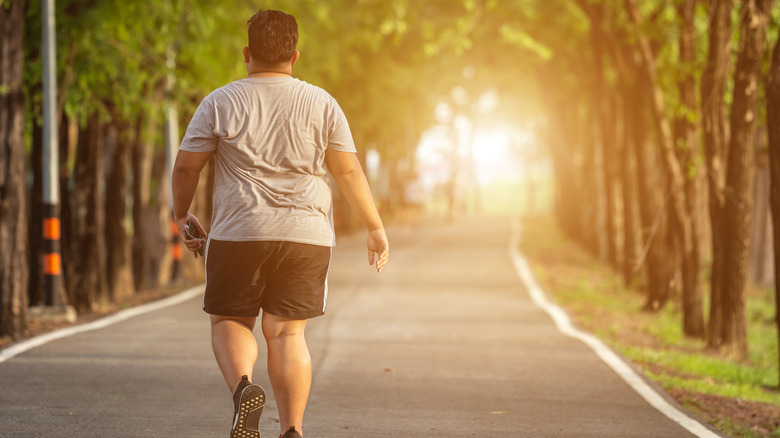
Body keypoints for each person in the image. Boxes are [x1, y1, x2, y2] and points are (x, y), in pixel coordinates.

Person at [171, 9, 389, 438]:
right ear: (295, 55)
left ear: (247, 54)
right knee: (287, 333)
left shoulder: (220, 101)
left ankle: (244, 389)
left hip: (239, 232)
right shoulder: (322, 102)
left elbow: (186, 168)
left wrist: (182, 213)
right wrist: (375, 226)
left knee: (229, 320)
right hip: (305, 236)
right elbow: (348, 173)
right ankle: (292, 430)